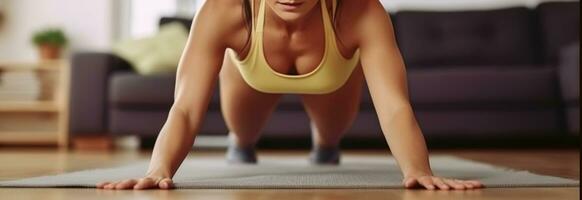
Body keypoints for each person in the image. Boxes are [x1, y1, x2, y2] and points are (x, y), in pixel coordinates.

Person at [97, 0, 484, 190]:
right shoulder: (224, 10)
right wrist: (158, 169)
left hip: (333, 77)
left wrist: (417, 170)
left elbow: (395, 105)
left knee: (330, 136)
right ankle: (242, 144)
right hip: (250, 76)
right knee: (243, 135)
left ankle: (324, 145)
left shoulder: (360, 10)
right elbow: (184, 107)